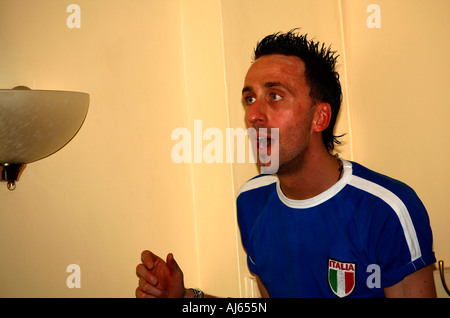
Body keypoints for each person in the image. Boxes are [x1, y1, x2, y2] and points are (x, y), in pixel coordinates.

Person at [136, 30, 436, 298]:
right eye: (249, 99)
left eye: (275, 96)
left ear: (319, 117)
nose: (253, 115)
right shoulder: (251, 201)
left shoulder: (388, 209)